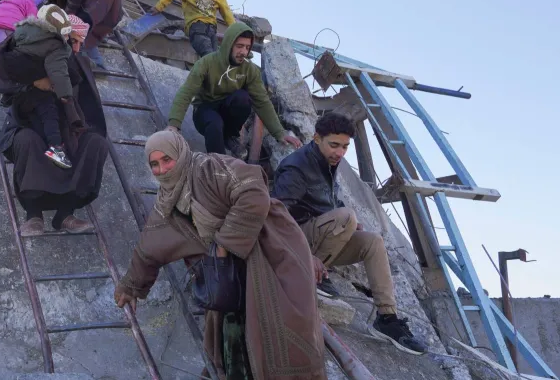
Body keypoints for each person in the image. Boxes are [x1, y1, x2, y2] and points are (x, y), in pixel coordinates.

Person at [114, 130, 326, 379]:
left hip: (268, 249)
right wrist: (130, 286)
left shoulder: (209, 168)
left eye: (167, 160)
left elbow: (253, 191)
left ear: (180, 154)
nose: (162, 169)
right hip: (226, 270)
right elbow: (150, 244)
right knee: (231, 336)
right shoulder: (167, 201)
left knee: (280, 328)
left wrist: (224, 244)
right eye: (155, 164)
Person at [272, 113, 428, 355]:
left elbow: (329, 200)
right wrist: (306, 255)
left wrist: (349, 225)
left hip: (318, 238)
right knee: (347, 216)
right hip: (295, 244)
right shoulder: (297, 166)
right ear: (316, 138)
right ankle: (310, 271)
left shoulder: (328, 163)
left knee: (373, 241)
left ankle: (387, 319)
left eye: (345, 147)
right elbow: (277, 216)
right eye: (334, 145)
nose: (340, 152)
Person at [0, 16, 107, 236]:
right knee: (30, 141)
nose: (76, 47)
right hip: (27, 124)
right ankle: (34, 216)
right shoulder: (27, 54)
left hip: (67, 126)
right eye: (72, 41)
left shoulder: (79, 64)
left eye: (79, 43)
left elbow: (86, 103)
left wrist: (79, 126)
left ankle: (65, 214)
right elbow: (1, 81)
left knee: (96, 144)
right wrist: (34, 81)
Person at [167, 22, 303, 157]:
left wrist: (279, 133)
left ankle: (229, 136)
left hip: (227, 107)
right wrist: (174, 124)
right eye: (239, 46)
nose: (243, 52)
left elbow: (262, 101)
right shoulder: (207, 63)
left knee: (243, 98)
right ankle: (218, 165)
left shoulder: (249, 70)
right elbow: (186, 93)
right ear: (229, 44)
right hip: (205, 111)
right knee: (214, 122)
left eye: (247, 47)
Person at [0, 5, 82, 169]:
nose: (70, 40)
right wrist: (65, 95)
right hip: (37, 94)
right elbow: (58, 72)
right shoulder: (56, 45)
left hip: (19, 92)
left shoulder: (21, 33)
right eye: (70, 36)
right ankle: (56, 148)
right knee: (50, 114)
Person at [151, 0, 235, 57]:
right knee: (208, 54)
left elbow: (227, 13)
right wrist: (158, 7)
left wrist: (237, 31)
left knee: (215, 57)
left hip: (211, 29)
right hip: (196, 26)